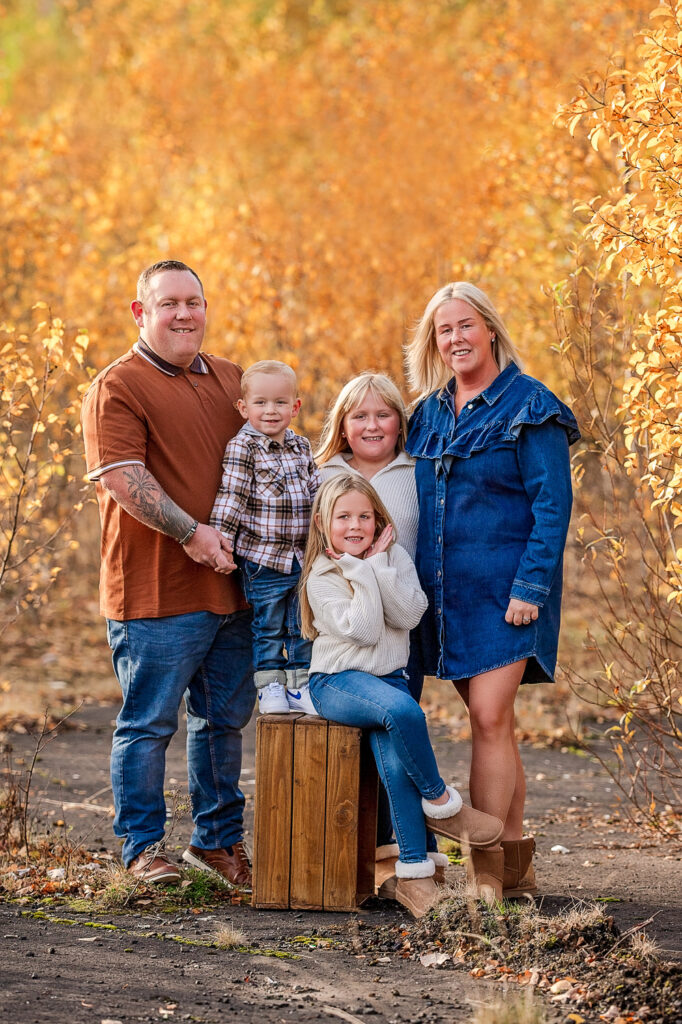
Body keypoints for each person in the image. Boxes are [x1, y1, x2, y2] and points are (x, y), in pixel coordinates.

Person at [81, 259, 255, 889]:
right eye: (169, 303)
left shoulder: (231, 378)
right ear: (140, 312)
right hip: (155, 591)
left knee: (223, 722)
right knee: (150, 722)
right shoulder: (118, 386)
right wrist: (191, 533)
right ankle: (142, 850)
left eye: (194, 302)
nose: (185, 314)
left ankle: (216, 845)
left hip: (232, 590)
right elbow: (125, 479)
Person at [405, 281, 581, 901]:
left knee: (487, 717)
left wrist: (532, 585)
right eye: (443, 329)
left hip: (508, 595)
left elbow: (552, 506)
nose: (455, 338)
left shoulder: (531, 406)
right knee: (495, 727)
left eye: (465, 325)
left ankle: (486, 876)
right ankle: (515, 866)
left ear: (490, 330)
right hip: (442, 600)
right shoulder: (426, 413)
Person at [300, 475, 504, 918]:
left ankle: (414, 875)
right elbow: (366, 628)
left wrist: (377, 567)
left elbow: (411, 614)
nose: (355, 525)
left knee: (394, 758)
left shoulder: (394, 558)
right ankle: (440, 804)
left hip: (386, 678)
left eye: (364, 516)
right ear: (322, 523)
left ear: (379, 521)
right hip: (337, 682)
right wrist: (362, 570)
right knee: (403, 711)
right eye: (344, 517)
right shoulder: (324, 574)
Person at [316, 373, 443, 889]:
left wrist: (382, 567)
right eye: (359, 415)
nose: (372, 425)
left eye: (383, 414)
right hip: (343, 630)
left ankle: (411, 858)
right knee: (395, 721)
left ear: (400, 422)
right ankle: (392, 844)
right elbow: (316, 554)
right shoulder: (321, 474)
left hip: (399, 621)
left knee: (396, 738)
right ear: (342, 426)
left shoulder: (418, 471)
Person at [209, 360, 321, 715]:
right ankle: (270, 686)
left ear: (295, 407)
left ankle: (300, 684)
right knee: (268, 626)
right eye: (260, 403)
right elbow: (232, 496)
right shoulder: (244, 447)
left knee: (302, 624)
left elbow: (318, 493)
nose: (270, 411)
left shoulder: (301, 447)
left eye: (279, 403)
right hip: (263, 560)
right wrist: (221, 541)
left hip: (302, 558)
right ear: (243, 408)